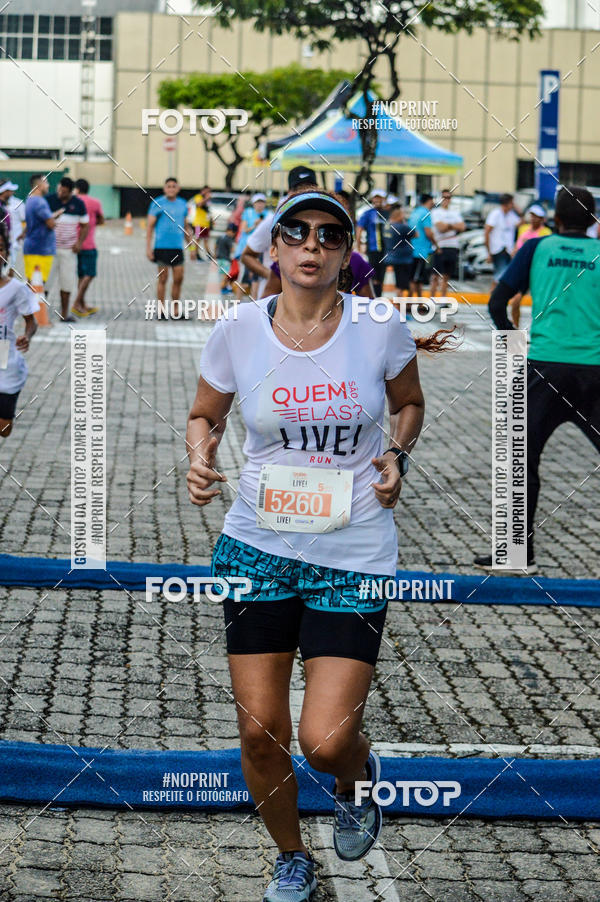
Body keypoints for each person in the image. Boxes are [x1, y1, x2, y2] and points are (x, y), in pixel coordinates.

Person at [187, 186, 455, 902]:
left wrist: (397, 452)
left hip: (354, 549)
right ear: (272, 248)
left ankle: (354, 782)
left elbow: (409, 403)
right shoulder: (238, 328)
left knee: (327, 739)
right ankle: (291, 856)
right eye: (297, 233)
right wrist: (199, 455)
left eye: (330, 236)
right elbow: (204, 414)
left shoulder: (379, 326)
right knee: (259, 733)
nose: (312, 245)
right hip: (256, 548)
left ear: (346, 254)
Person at [476, 186, 600, 574]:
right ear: (593, 220)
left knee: (519, 459)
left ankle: (516, 554)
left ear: (555, 219)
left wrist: (511, 340)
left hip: (543, 369)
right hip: (594, 369)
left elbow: (498, 302)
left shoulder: (535, 249)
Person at [262, 189, 375, 299]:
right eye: (294, 232)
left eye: (330, 236)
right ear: (274, 250)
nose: (311, 245)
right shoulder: (249, 316)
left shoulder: (375, 316)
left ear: (346, 257)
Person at [241, 167, 317, 298]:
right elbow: (246, 256)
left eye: (310, 188)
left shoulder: (320, 222)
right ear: (290, 192)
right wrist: (272, 275)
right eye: (299, 189)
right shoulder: (274, 220)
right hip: (272, 297)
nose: (305, 193)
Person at [0, 230, 39, 439]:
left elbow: (31, 322)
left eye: (0, 249)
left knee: (4, 429)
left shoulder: (16, 289)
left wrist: (27, 335)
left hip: (4, 359)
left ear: (7, 254)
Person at [146, 177, 191, 318]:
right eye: (168, 186)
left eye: (174, 186)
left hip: (177, 248)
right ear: (165, 188)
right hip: (162, 247)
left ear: (178, 188)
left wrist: (192, 248)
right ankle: (161, 311)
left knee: (178, 279)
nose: (171, 189)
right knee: (163, 279)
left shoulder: (183, 204)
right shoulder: (158, 203)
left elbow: (186, 227)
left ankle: (176, 311)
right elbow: (149, 227)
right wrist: (148, 248)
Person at [47, 177, 90, 323]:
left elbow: (85, 225)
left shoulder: (78, 204)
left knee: (66, 283)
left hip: (69, 251)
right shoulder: (49, 200)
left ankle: (64, 314)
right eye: (59, 190)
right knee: (45, 283)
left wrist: (79, 242)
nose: (60, 193)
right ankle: (40, 313)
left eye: (64, 192)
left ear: (71, 192)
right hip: (50, 249)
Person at [508, 204, 552, 328]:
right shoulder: (523, 229)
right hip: (522, 269)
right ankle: (516, 328)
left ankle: (538, 329)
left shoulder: (546, 232)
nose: (533, 219)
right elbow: (518, 246)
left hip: (537, 270)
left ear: (542, 219)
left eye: (537, 216)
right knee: (515, 301)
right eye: (532, 215)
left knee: (539, 302)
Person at [22, 174, 60, 301]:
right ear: (39, 185)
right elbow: (50, 224)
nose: (48, 185)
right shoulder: (40, 201)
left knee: (31, 282)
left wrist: (52, 216)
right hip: (42, 249)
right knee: (37, 283)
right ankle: (33, 315)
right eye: (46, 182)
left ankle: (30, 314)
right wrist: (54, 220)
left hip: (32, 246)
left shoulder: (30, 199)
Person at [72, 178, 104, 318]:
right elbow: (101, 220)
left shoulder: (72, 201)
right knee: (90, 274)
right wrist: (93, 222)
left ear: (77, 189)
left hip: (74, 244)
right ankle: (76, 303)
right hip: (88, 243)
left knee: (81, 275)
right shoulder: (95, 202)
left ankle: (81, 304)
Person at [430, 189, 465, 298]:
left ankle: (443, 299)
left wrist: (447, 226)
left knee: (446, 276)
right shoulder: (436, 212)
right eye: (444, 197)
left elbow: (462, 227)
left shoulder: (455, 213)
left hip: (452, 246)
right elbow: (440, 228)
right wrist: (453, 226)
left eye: (448, 197)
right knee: (435, 276)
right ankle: (432, 299)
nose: (446, 200)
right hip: (440, 246)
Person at [355, 188, 388, 297]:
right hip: (373, 249)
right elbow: (359, 230)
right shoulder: (368, 213)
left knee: (382, 275)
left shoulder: (387, 213)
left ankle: (379, 296)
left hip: (386, 250)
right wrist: (359, 248)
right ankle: (374, 299)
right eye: (375, 198)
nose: (377, 200)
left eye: (380, 198)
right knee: (374, 276)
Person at [234, 193, 268, 298]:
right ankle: (237, 303)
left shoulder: (268, 214)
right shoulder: (248, 213)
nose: (259, 205)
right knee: (244, 278)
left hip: (261, 251)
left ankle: (255, 303)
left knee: (256, 278)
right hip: (247, 250)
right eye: (257, 202)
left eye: (262, 202)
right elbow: (245, 229)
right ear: (253, 203)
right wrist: (255, 225)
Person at [484, 193, 521, 288]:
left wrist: (519, 211)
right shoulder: (495, 214)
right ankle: (493, 299)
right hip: (497, 249)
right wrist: (488, 252)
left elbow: (521, 223)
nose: (513, 205)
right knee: (499, 276)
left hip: (508, 250)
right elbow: (487, 232)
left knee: (502, 276)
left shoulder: (511, 215)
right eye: (512, 203)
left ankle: (494, 298)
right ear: (506, 203)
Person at [408, 193, 438, 297]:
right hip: (421, 250)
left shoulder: (415, 212)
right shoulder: (426, 213)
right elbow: (428, 232)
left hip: (412, 248)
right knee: (414, 278)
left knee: (418, 278)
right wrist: (436, 245)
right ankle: (409, 303)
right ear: (429, 201)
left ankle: (419, 303)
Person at [382, 204, 414, 295]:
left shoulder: (387, 225)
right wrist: (404, 222)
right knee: (402, 285)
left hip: (391, 257)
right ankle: (401, 305)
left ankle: (401, 304)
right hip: (402, 259)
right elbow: (416, 234)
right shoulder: (401, 227)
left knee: (398, 284)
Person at [0, 181, 23, 276]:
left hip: (9, 243)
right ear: (4, 191)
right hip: (4, 243)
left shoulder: (5, 206)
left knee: (10, 268)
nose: (12, 193)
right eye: (10, 190)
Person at [188, 190, 213, 261]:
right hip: (198, 223)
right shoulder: (198, 197)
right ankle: (196, 254)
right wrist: (206, 198)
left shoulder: (208, 201)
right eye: (207, 191)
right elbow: (199, 204)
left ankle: (209, 255)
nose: (208, 193)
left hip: (206, 224)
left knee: (206, 240)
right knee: (197, 240)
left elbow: (208, 211)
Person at [215, 224, 237, 295]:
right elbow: (232, 250)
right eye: (234, 233)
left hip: (219, 259)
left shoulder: (221, 237)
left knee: (223, 275)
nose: (233, 235)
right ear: (232, 232)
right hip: (226, 260)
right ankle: (222, 289)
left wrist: (215, 254)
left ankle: (224, 288)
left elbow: (215, 246)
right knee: (226, 275)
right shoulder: (229, 239)